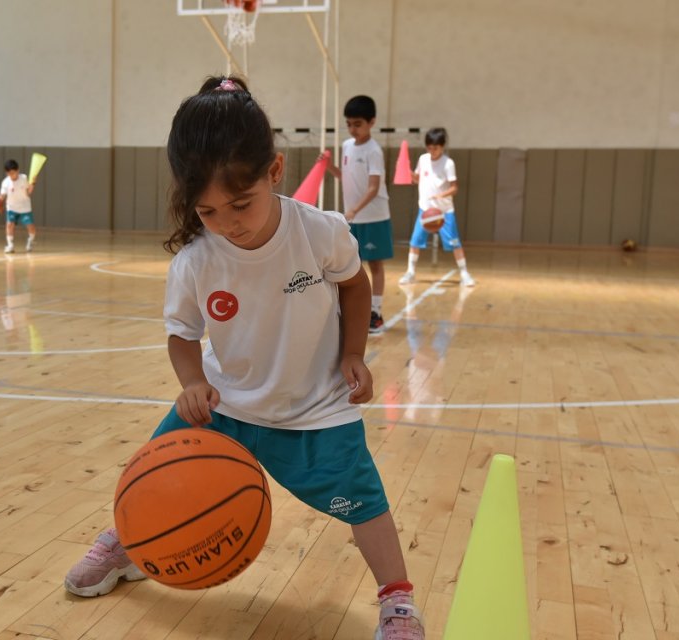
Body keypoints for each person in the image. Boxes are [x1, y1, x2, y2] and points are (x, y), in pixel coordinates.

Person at [62, 77, 424, 640]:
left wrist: (354, 352)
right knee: (156, 471)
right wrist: (190, 382)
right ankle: (129, 542)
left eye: (240, 203)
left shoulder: (321, 233)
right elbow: (182, 334)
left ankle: (398, 600)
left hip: (314, 408)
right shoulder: (196, 261)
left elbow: (355, 288)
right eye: (207, 210)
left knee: (366, 503)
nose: (227, 221)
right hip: (225, 403)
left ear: (275, 172)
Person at [327, 95, 393, 334]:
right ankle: (356, 311)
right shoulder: (346, 146)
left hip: (374, 216)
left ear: (371, 122)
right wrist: (329, 167)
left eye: (358, 124)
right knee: (353, 265)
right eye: (349, 124)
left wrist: (355, 209)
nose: (353, 129)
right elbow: (345, 177)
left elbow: (373, 188)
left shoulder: (374, 151)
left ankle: (376, 312)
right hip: (354, 217)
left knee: (375, 264)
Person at [400, 127, 476, 287]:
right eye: (429, 147)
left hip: (444, 211)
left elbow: (455, 188)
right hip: (425, 210)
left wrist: (441, 195)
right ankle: (410, 272)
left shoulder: (448, 163)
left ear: (442, 146)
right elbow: (417, 179)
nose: (432, 150)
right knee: (415, 242)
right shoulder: (423, 159)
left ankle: (464, 273)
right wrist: (407, 173)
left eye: (435, 147)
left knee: (455, 243)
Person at [0, 160, 37, 253]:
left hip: (25, 207)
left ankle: (30, 241)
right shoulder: (5, 182)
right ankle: (10, 245)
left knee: (30, 226)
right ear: (6, 173)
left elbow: (28, 193)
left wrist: (33, 183)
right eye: (9, 173)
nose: (12, 175)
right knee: (9, 225)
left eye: (13, 172)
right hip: (11, 208)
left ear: (18, 170)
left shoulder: (24, 178)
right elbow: (2, 196)